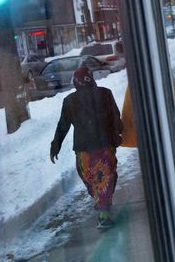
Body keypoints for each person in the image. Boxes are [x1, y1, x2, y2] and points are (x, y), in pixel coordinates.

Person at [50, 67, 123, 229]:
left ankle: (104, 211)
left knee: (92, 179)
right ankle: (104, 209)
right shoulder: (105, 93)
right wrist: (118, 132)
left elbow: (63, 126)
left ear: (75, 82)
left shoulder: (70, 101)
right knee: (107, 176)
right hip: (105, 146)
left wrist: (55, 145)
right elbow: (116, 118)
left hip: (84, 151)